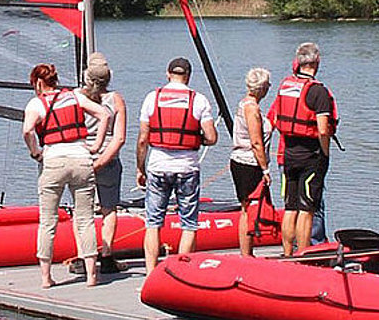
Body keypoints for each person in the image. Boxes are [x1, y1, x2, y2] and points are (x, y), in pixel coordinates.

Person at [22, 63, 111, 288]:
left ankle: (46, 278)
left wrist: (35, 151)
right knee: (85, 219)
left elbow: (27, 130)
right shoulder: (74, 97)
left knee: (48, 222)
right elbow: (104, 114)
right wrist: (96, 145)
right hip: (81, 159)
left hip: (53, 162)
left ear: (38, 83)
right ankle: (91, 276)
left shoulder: (36, 103)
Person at [134, 57, 218, 273]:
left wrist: (140, 168)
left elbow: (143, 139)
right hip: (187, 167)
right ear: (188, 76)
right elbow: (211, 137)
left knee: (153, 222)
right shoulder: (199, 100)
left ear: (168, 74)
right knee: (189, 223)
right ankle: (182, 273)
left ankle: (151, 274)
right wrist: (195, 138)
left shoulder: (152, 98)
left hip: (158, 165)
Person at [268, 42, 335, 256]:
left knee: (290, 208)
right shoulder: (318, 91)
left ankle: (288, 253)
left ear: (297, 62)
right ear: (317, 62)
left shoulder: (285, 86)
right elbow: (323, 130)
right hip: (310, 155)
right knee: (307, 210)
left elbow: (274, 119)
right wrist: (325, 154)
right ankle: (304, 256)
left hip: (288, 154)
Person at [76, 53, 128, 275]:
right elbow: (120, 138)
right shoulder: (116, 100)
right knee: (109, 209)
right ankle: (106, 256)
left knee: (82, 211)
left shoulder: (76, 97)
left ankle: (82, 257)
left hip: (81, 157)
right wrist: (103, 160)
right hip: (108, 159)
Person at [228, 67, 275, 257]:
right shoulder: (252, 109)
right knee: (249, 208)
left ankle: (246, 252)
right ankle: (246, 254)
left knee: (245, 208)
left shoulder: (244, 103)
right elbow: (256, 142)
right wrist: (265, 169)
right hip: (249, 163)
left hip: (239, 160)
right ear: (263, 88)